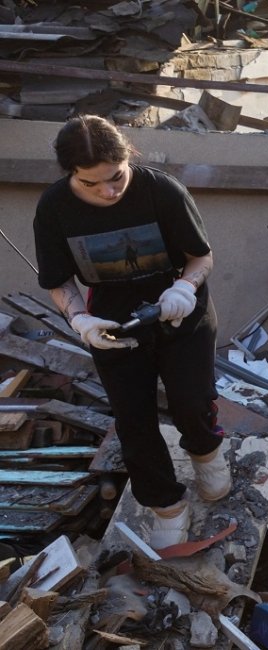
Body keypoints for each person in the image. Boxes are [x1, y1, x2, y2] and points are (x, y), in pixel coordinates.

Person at [32, 115, 229, 549]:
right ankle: (167, 506)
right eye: (91, 183)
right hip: (114, 319)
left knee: (191, 400)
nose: (108, 191)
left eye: (117, 177)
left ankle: (206, 452)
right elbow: (57, 281)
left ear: (128, 157)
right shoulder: (53, 208)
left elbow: (201, 256)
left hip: (181, 310)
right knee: (133, 420)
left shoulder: (162, 189)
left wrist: (184, 287)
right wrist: (79, 319)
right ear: (71, 175)